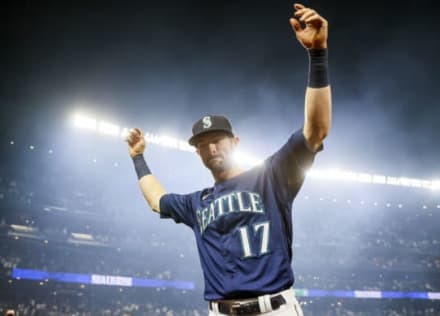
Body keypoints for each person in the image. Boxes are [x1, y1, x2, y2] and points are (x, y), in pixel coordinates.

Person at [126, 3, 331, 315]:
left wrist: (318, 55)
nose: (211, 149)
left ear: (235, 142)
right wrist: (138, 158)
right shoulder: (198, 203)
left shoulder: (271, 177)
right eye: (203, 145)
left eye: (217, 140)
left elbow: (316, 131)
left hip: (274, 308)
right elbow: (157, 200)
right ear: (197, 152)